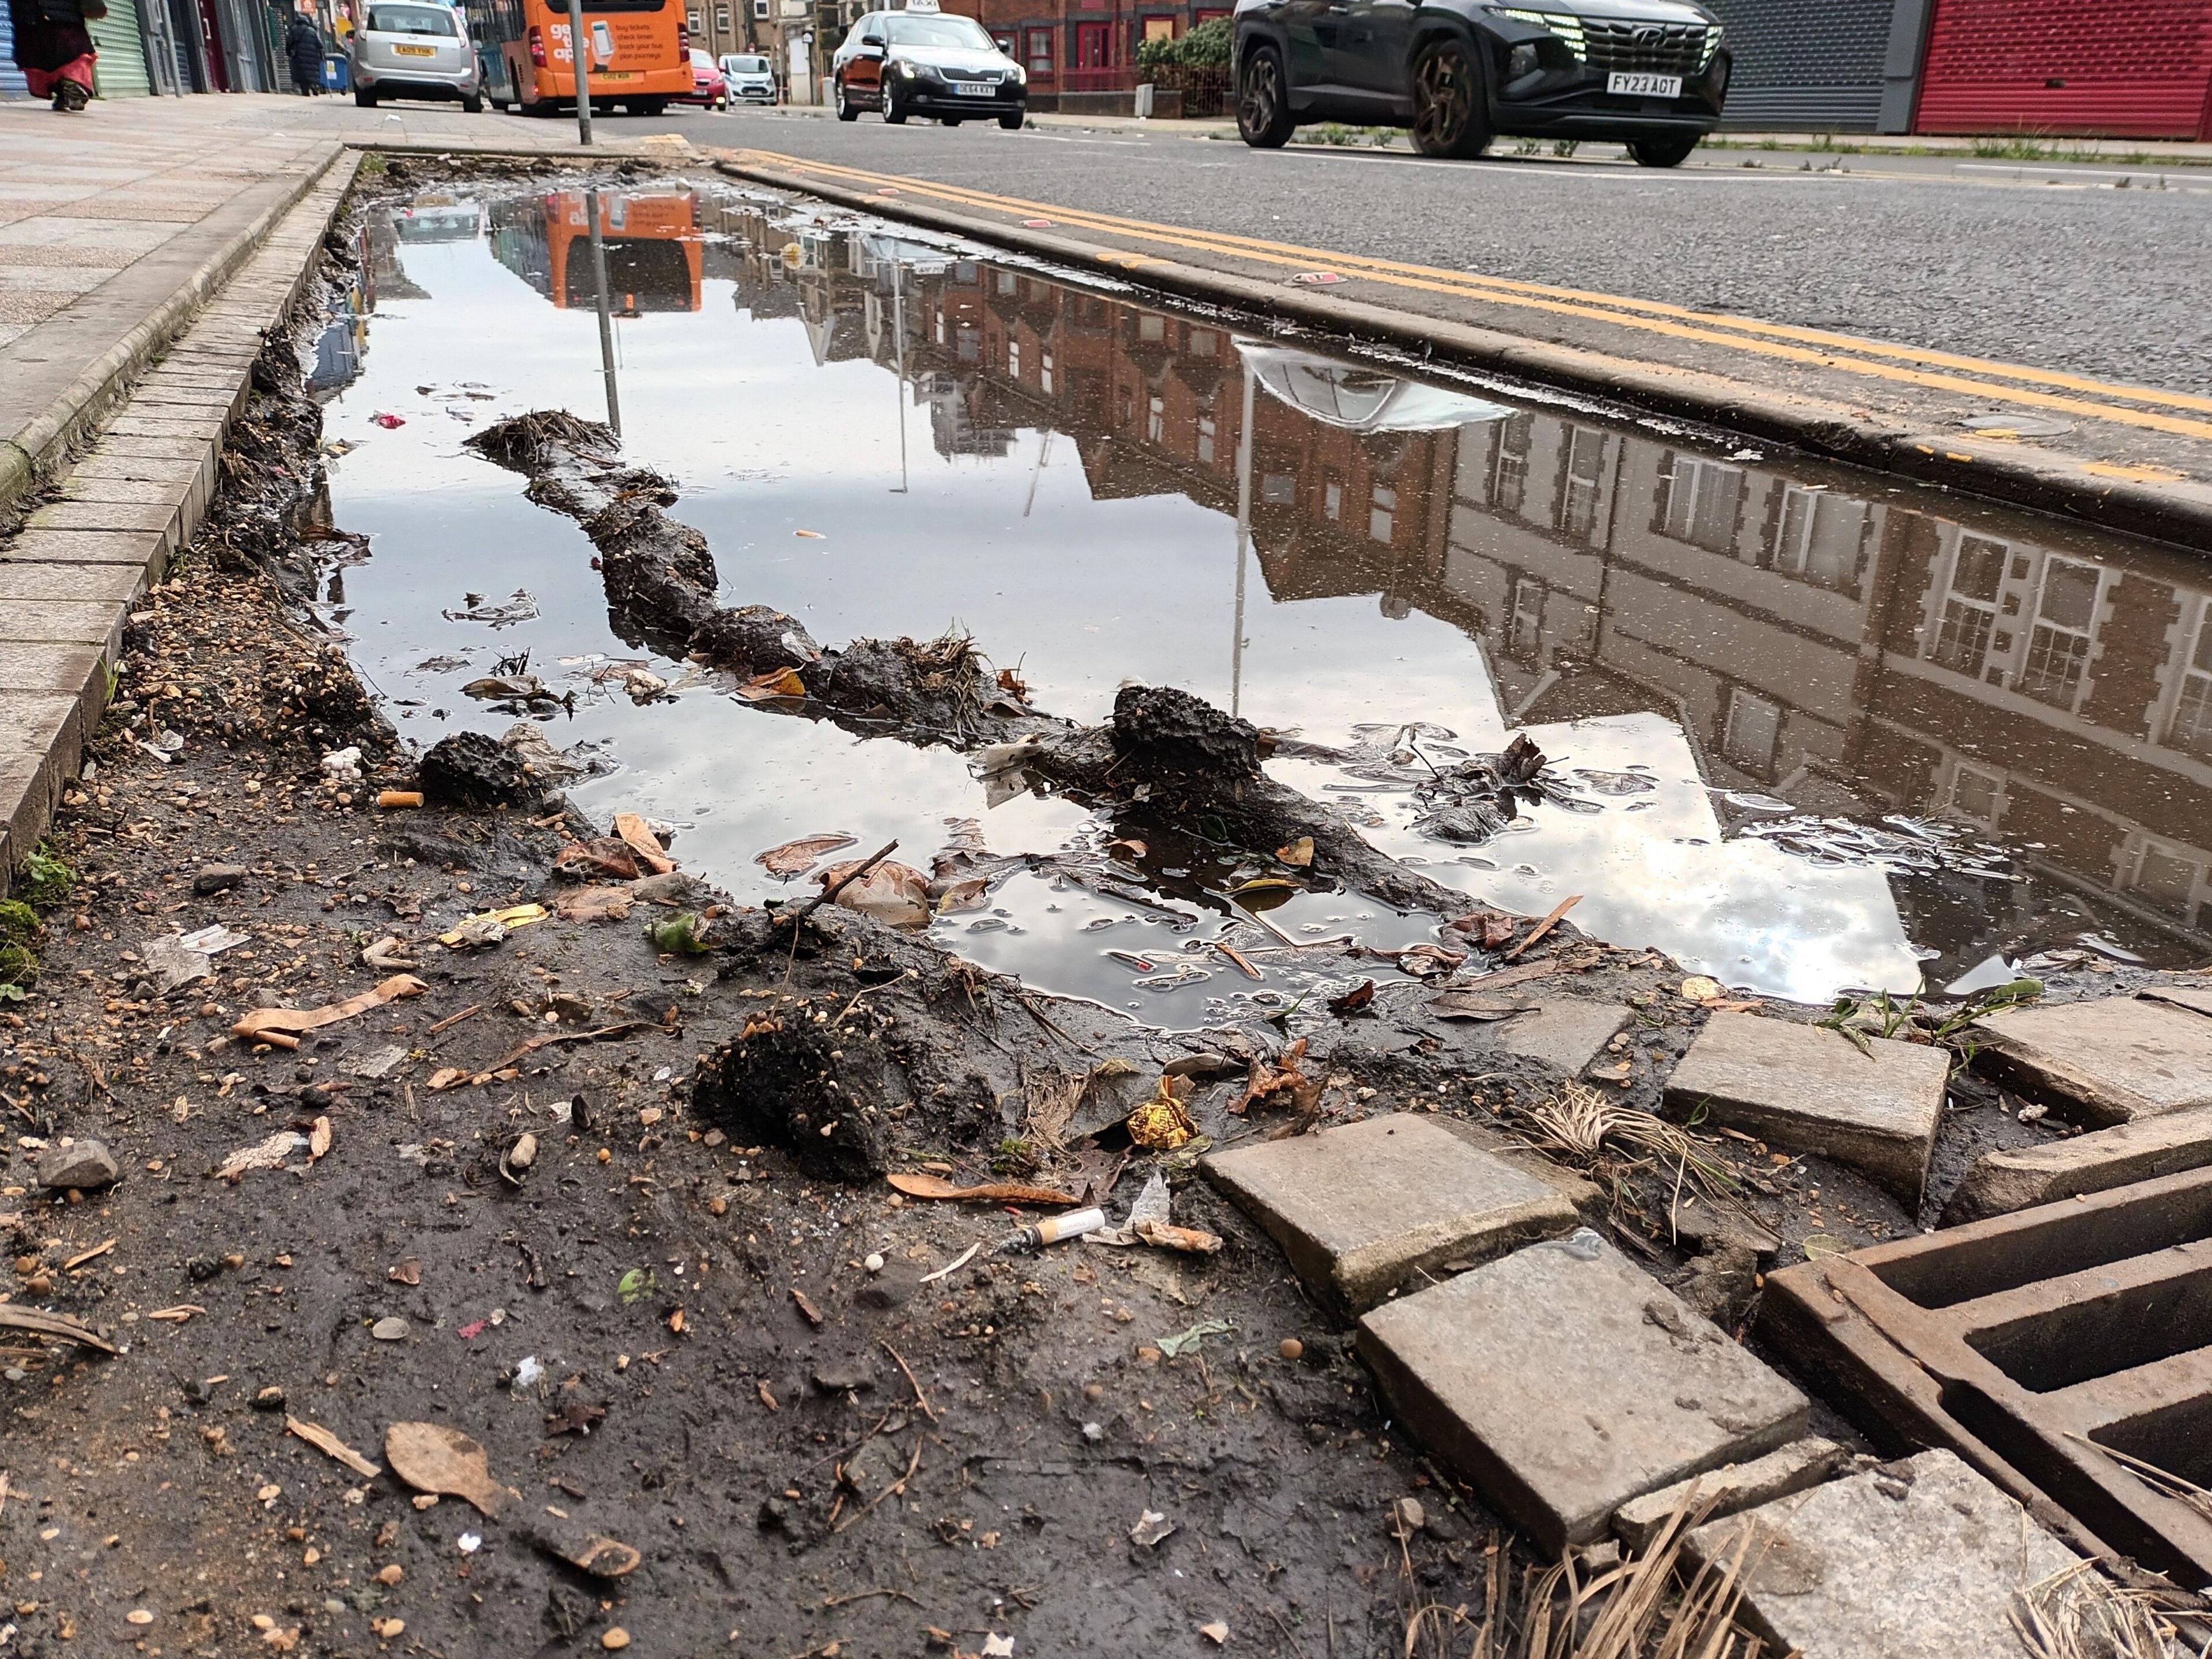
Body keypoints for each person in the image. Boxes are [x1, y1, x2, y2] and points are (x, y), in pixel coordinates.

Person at [6, 0, 100, 112]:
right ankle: (70, 85)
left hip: (30, 15)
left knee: (42, 59)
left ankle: (64, 91)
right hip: (66, 15)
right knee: (72, 54)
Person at [285, 8, 325, 95]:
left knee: (302, 73)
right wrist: (322, 54)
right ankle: (314, 86)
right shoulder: (312, 31)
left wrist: (288, 52)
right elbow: (320, 45)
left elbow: (289, 42)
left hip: (299, 56)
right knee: (311, 73)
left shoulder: (293, 29)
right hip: (312, 57)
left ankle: (305, 90)